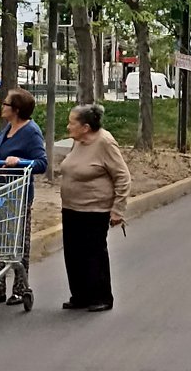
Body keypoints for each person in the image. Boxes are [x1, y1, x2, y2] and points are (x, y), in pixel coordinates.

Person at [0, 88, 47, 304]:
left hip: (18, 194)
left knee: (18, 242)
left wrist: (21, 162)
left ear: (16, 109)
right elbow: (0, 145)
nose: (2, 106)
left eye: (6, 103)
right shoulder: (9, 128)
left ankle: (20, 287)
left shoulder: (31, 132)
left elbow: (42, 163)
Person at [59, 103, 131, 312]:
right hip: (71, 207)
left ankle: (101, 296)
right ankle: (80, 295)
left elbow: (122, 176)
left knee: (93, 253)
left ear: (86, 127)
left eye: (72, 123)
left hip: (95, 209)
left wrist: (118, 209)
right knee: (73, 253)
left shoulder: (105, 142)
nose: (68, 127)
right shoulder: (79, 141)